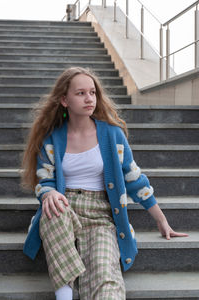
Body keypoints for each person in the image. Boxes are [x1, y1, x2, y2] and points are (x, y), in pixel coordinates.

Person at [22, 67, 188, 300]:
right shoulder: (52, 138)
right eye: (80, 93)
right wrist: (48, 194)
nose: (89, 98)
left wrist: (161, 219)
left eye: (92, 92)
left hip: (101, 214)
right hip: (64, 205)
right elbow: (45, 180)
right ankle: (64, 294)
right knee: (54, 211)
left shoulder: (112, 135)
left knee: (105, 274)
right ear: (64, 100)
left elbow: (134, 179)